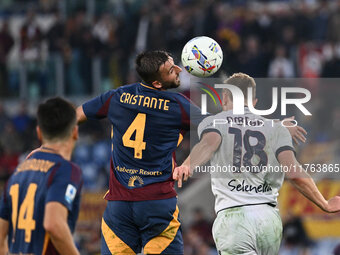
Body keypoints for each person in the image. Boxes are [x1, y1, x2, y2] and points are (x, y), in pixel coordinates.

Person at [173, 72, 340, 255]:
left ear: (225, 98)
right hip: (269, 222)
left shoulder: (214, 122)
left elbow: (208, 143)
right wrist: (324, 203)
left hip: (234, 220)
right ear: (254, 101)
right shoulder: (277, 129)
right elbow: (294, 173)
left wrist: (188, 164)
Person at [76, 50, 206, 254]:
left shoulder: (117, 96)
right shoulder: (178, 106)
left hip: (119, 207)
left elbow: (76, 116)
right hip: (158, 205)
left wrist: (47, 145)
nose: (179, 69)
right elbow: (215, 131)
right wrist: (189, 163)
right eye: (172, 70)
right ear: (157, 83)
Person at [0, 97, 82, 255]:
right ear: (75, 132)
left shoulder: (17, 173)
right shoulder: (66, 170)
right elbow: (54, 225)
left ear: (39, 132)